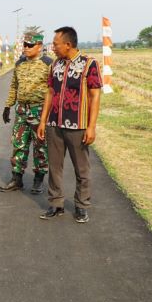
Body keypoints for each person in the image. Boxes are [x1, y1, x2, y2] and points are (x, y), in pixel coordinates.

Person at [37, 26, 103, 223]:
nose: (53, 47)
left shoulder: (89, 64)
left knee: (81, 169)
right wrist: (43, 121)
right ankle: (56, 204)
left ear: (68, 44)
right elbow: (50, 92)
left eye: (55, 44)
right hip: (54, 124)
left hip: (78, 125)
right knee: (54, 167)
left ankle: (81, 206)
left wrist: (91, 126)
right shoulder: (55, 65)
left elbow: (95, 95)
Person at [0, 32, 52, 194]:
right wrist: (8, 106)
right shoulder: (19, 64)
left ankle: (38, 179)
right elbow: (14, 86)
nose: (26, 48)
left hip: (40, 110)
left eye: (30, 45)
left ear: (39, 46)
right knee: (18, 145)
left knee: (40, 146)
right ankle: (17, 179)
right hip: (22, 110)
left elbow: (53, 90)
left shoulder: (48, 64)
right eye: (24, 44)